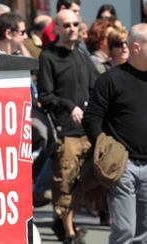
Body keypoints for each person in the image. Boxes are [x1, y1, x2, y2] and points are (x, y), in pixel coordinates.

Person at [37, 9, 99, 244]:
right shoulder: (48, 56)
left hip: (87, 131)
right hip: (65, 132)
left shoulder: (82, 55)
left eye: (75, 24)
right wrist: (69, 106)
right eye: (67, 25)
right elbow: (46, 95)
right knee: (65, 182)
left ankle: (63, 223)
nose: (72, 29)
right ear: (57, 28)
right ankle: (69, 232)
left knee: (82, 183)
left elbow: (96, 87)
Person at [83, 23, 147, 244]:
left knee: (143, 231)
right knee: (125, 230)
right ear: (137, 47)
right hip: (122, 165)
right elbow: (91, 117)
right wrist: (105, 149)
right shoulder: (111, 80)